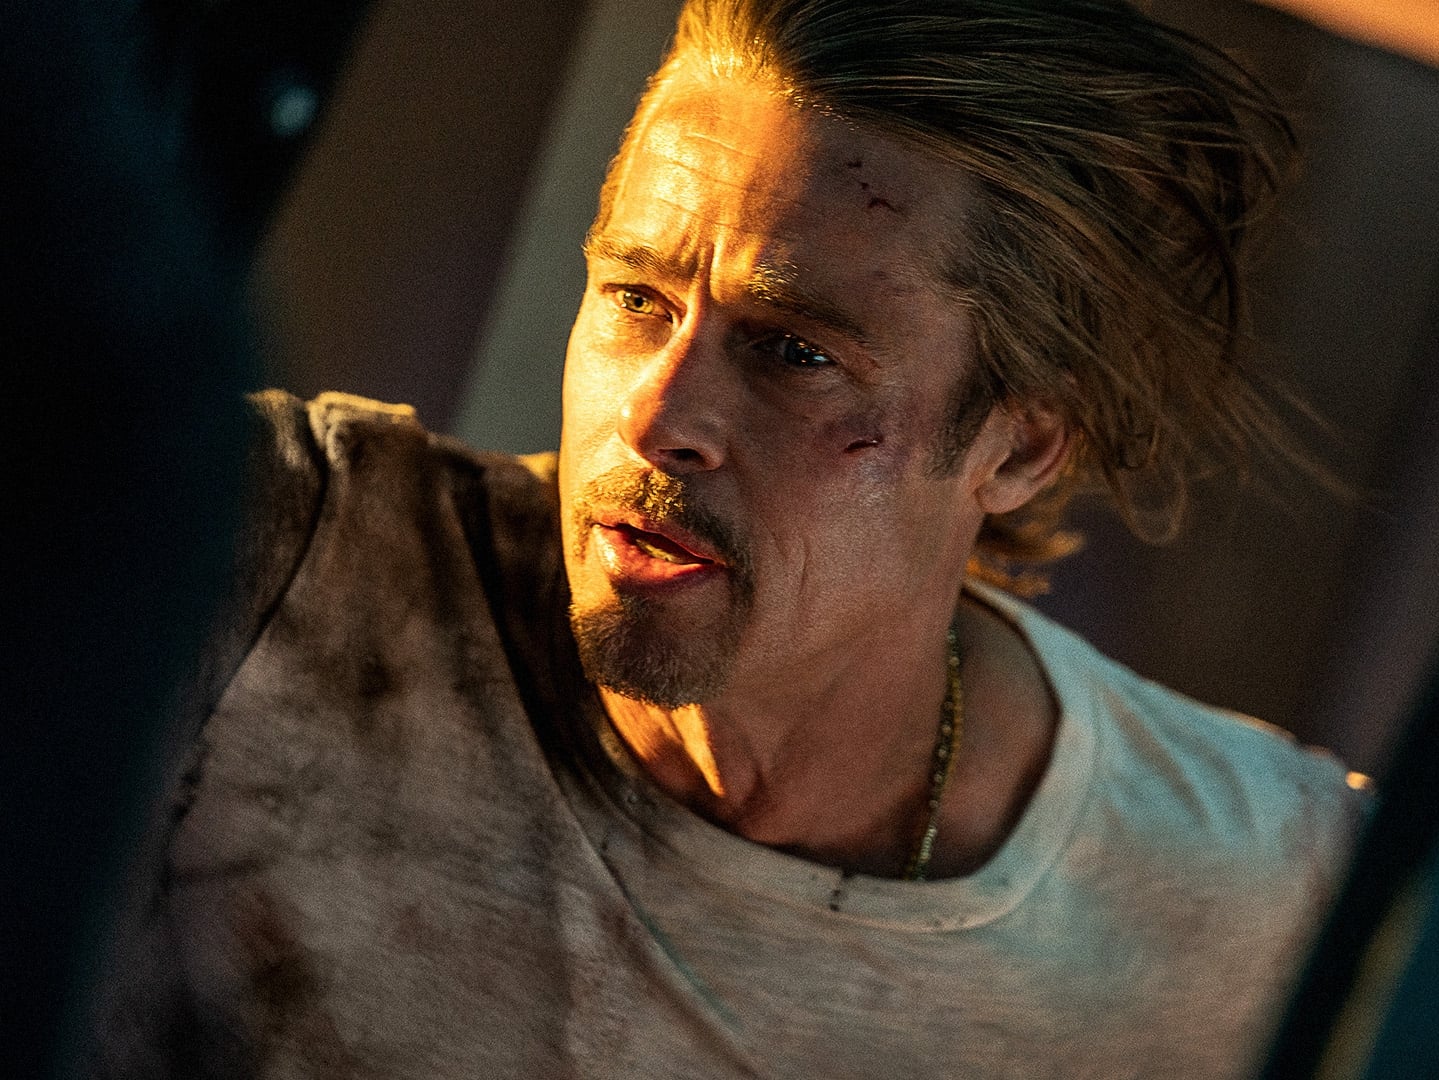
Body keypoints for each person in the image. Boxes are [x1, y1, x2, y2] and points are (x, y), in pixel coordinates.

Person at [90, 1, 1366, 1076]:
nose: (654, 420)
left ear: (1020, 448)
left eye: (795, 352)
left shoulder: (1265, 897)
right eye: (636, 297)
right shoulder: (261, 555)